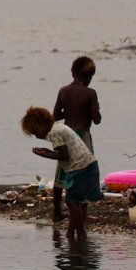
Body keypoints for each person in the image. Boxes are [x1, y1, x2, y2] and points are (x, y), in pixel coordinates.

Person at [21, 106, 101, 240]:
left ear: (42, 123)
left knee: (71, 202)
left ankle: (81, 234)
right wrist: (47, 152)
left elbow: (63, 155)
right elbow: (63, 153)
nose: (37, 136)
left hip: (80, 167)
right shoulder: (58, 128)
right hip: (87, 165)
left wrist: (46, 154)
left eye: (35, 132)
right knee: (74, 202)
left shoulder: (54, 133)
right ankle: (71, 233)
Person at [52, 56, 101, 222]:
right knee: (85, 173)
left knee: (61, 174)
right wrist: (93, 108)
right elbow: (97, 119)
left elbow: (55, 115)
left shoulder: (63, 91)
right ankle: (82, 215)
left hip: (65, 134)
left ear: (73, 72)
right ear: (89, 76)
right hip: (82, 137)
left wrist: (71, 111)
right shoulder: (90, 93)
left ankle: (57, 212)